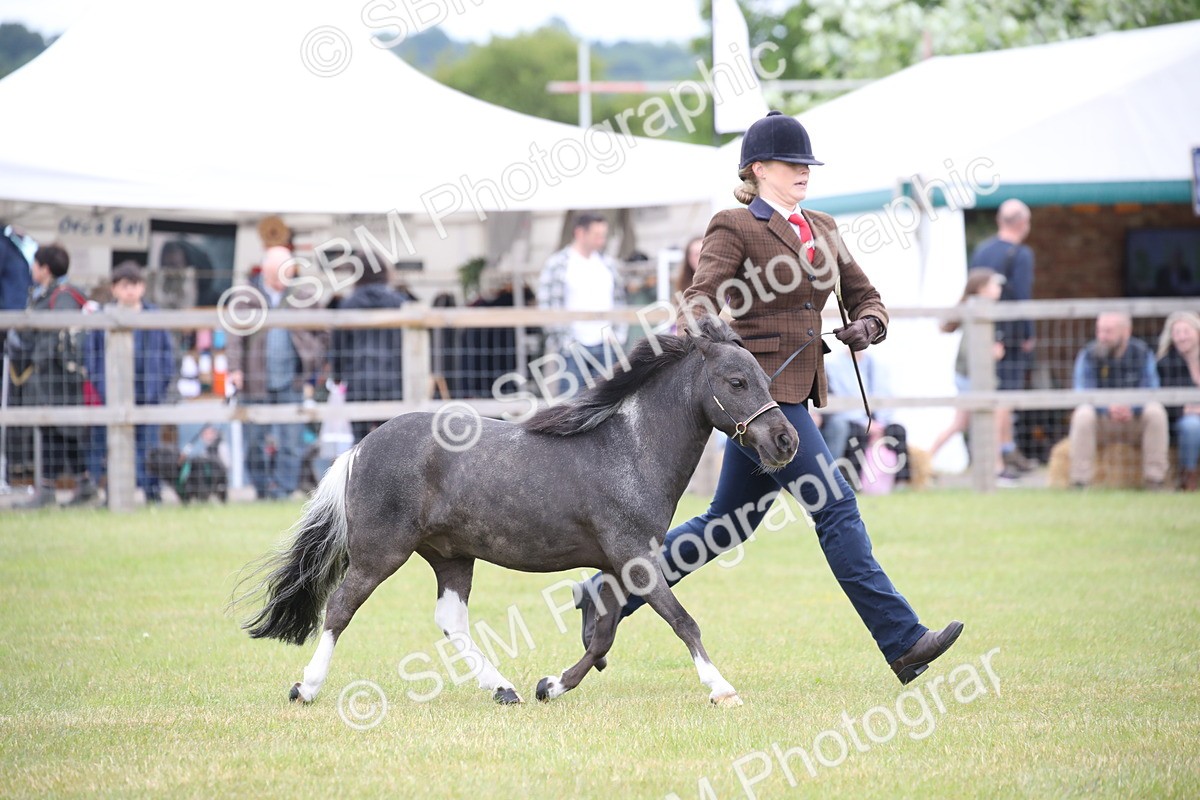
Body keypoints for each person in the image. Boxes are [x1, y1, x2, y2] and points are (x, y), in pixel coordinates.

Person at [574, 111, 962, 685]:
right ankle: (903, 640)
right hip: (759, 405)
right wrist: (722, 351)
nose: (803, 172)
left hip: (796, 398)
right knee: (834, 507)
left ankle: (609, 589)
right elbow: (699, 300)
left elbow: (868, 299)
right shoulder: (735, 225)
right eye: (791, 163)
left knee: (725, 525)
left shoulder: (825, 227)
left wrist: (869, 327)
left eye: (807, 164)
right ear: (757, 170)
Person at [226, 246, 328, 500]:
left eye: (290, 273)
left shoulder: (304, 295)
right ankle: (262, 490)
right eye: (280, 275)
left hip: (291, 380)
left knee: (292, 442)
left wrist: (312, 357)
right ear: (266, 273)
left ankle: (282, 491)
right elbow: (233, 336)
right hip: (254, 381)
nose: (285, 280)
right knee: (253, 443)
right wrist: (235, 368)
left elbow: (325, 331)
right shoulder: (246, 296)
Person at [7, 244, 95, 507]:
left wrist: (39, 360)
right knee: (57, 432)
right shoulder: (46, 294)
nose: (33, 269)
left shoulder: (63, 295)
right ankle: (79, 486)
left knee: (60, 431)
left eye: (35, 264)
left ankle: (50, 490)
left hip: (59, 378)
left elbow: (58, 335)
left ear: (45, 268)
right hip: (48, 376)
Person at [83, 263, 175, 503]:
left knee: (148, 449)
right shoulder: (103, 318)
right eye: (124, 286)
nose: (130, 291)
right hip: (113, 394)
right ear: (114, 289)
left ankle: (151, 494)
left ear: (142, 287)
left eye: (134, 285)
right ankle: (111, 495)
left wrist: (160, 386)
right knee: (111, 448)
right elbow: (91, 356)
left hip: (148, 394)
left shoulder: (154, 318)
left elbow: (168, 355)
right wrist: (101, 386)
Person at [969, 199, 1037, 474]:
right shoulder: (1021, 254)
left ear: (1000, 221)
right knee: (1005, 398)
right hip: (1010, 336)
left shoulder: (982, 251)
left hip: (981, 332)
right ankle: (996, 461)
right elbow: (1022, 297)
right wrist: (1028, 333)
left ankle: (1007, 452)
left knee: (992, 395)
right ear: (1022, 223)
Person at [1068, 311, 1168, 490]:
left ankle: (1155, 481)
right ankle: (1080, 483)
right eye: (1100, 331)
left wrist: (1133, 406)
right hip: (1103, 420)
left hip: (1133, 419)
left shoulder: (1142, 353)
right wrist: (1107, 407)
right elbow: (1082, 391)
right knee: (1082, 414)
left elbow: (1152, 388)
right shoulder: (1089, 354)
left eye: (1108, 331)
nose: (1102, 336)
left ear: (1126, 332)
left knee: (1156, 411)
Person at [927, 268, 1010, 474]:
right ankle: (996, 468)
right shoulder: (977, 311)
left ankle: (926, 459)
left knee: (961, 423)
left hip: (968, 377)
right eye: (994, 285)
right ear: (982, 289)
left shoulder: (980, 309)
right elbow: (970, 349)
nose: (999, 288)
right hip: (972, 378)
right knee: (996, 417)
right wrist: (990, 354)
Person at [537, 213, 627, 397]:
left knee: (607, 404)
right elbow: (546, 306)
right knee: (570, 407)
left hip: (606, 344)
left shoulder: (608, 264)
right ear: (580, 233)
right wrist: (565, 341)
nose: (601, 240)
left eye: (603, 235)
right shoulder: (558, 264)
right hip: (572, 347)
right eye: (597, 235)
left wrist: (617, 335)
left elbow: (619, 301)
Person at [329, 253, 411, 443]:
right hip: (393, 383)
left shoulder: (348, 305)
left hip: (359, 382)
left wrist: (337, 376)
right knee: (394, 443)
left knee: (359, 445)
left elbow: (339, 346)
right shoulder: (400, 303)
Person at [1156, 311, 1200, 491]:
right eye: (1176, 333)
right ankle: (1188, 476)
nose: (1181, 338)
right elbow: (1166, 402)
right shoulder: (1166, 364)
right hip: (1181, 419)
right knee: (1192, 425)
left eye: (1186, 332)